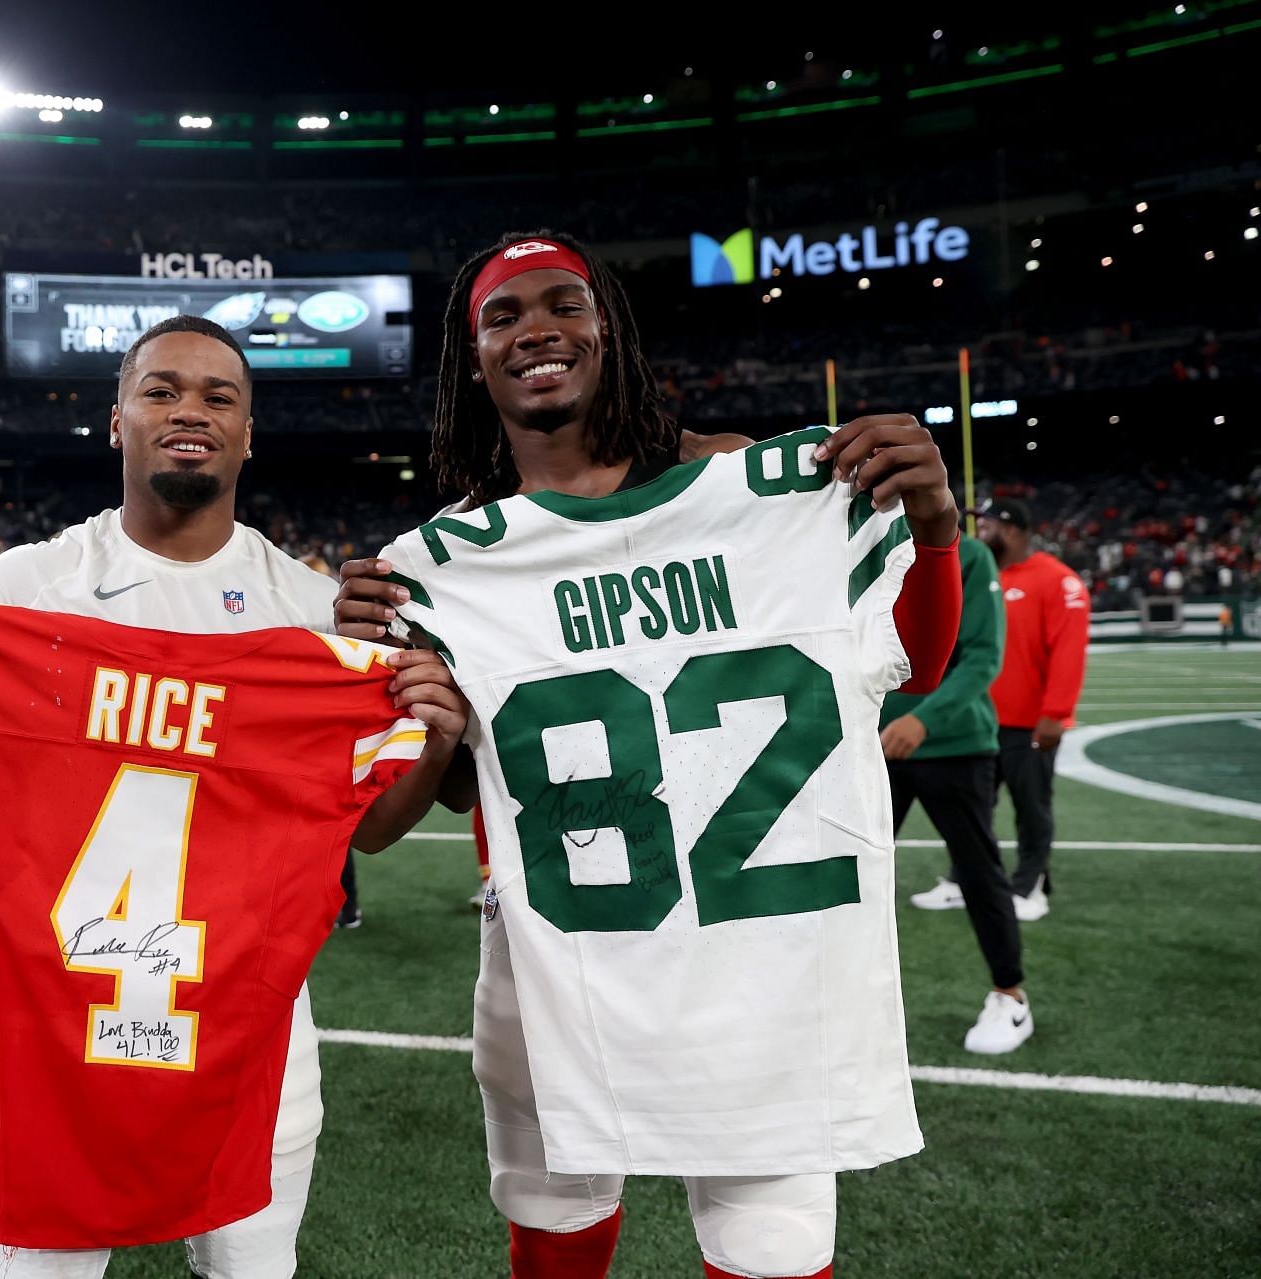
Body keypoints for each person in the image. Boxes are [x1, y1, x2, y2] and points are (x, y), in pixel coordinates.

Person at [335, 232, 963, 1279]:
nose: (536, 329)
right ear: (471, 360)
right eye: (502, 315)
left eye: (563, 304)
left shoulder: (770, 489)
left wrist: (936, 528)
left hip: (766, 959)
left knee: (771, 1251)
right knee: (554, 1224)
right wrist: (403, 685)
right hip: (559, 964)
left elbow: (916, 665)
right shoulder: (442, 565)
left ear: (609, 328)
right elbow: (426, 797)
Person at [0, 315, 468, 1278]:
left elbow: (366, 831)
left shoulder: (311, 607)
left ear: (250, 432)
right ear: (116, 419)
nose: (188, 410)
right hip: (54, 1039)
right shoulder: (25, 585)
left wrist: (433, 739)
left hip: (251, 1035)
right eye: (160, 389)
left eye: (218, 395)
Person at [886, 533, 1033, 1053]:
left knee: (978, 872)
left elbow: (983, 656)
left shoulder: (965, 554)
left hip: (953, 743)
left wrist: (922, 721)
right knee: (845, 873)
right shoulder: (840, 542)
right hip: (869, 742)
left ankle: (1010, 996)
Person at [976, 497, 1090, 922]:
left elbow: (1068, 653)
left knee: (1031, 808)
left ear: (1010, 531)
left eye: (986, 527)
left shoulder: (1060, 581)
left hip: (1030, 725)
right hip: (984, 721)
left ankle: (1031, 883)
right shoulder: (983, 574)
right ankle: (962, 878)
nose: (979, 534)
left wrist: (1055, 713)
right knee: (974, 808)